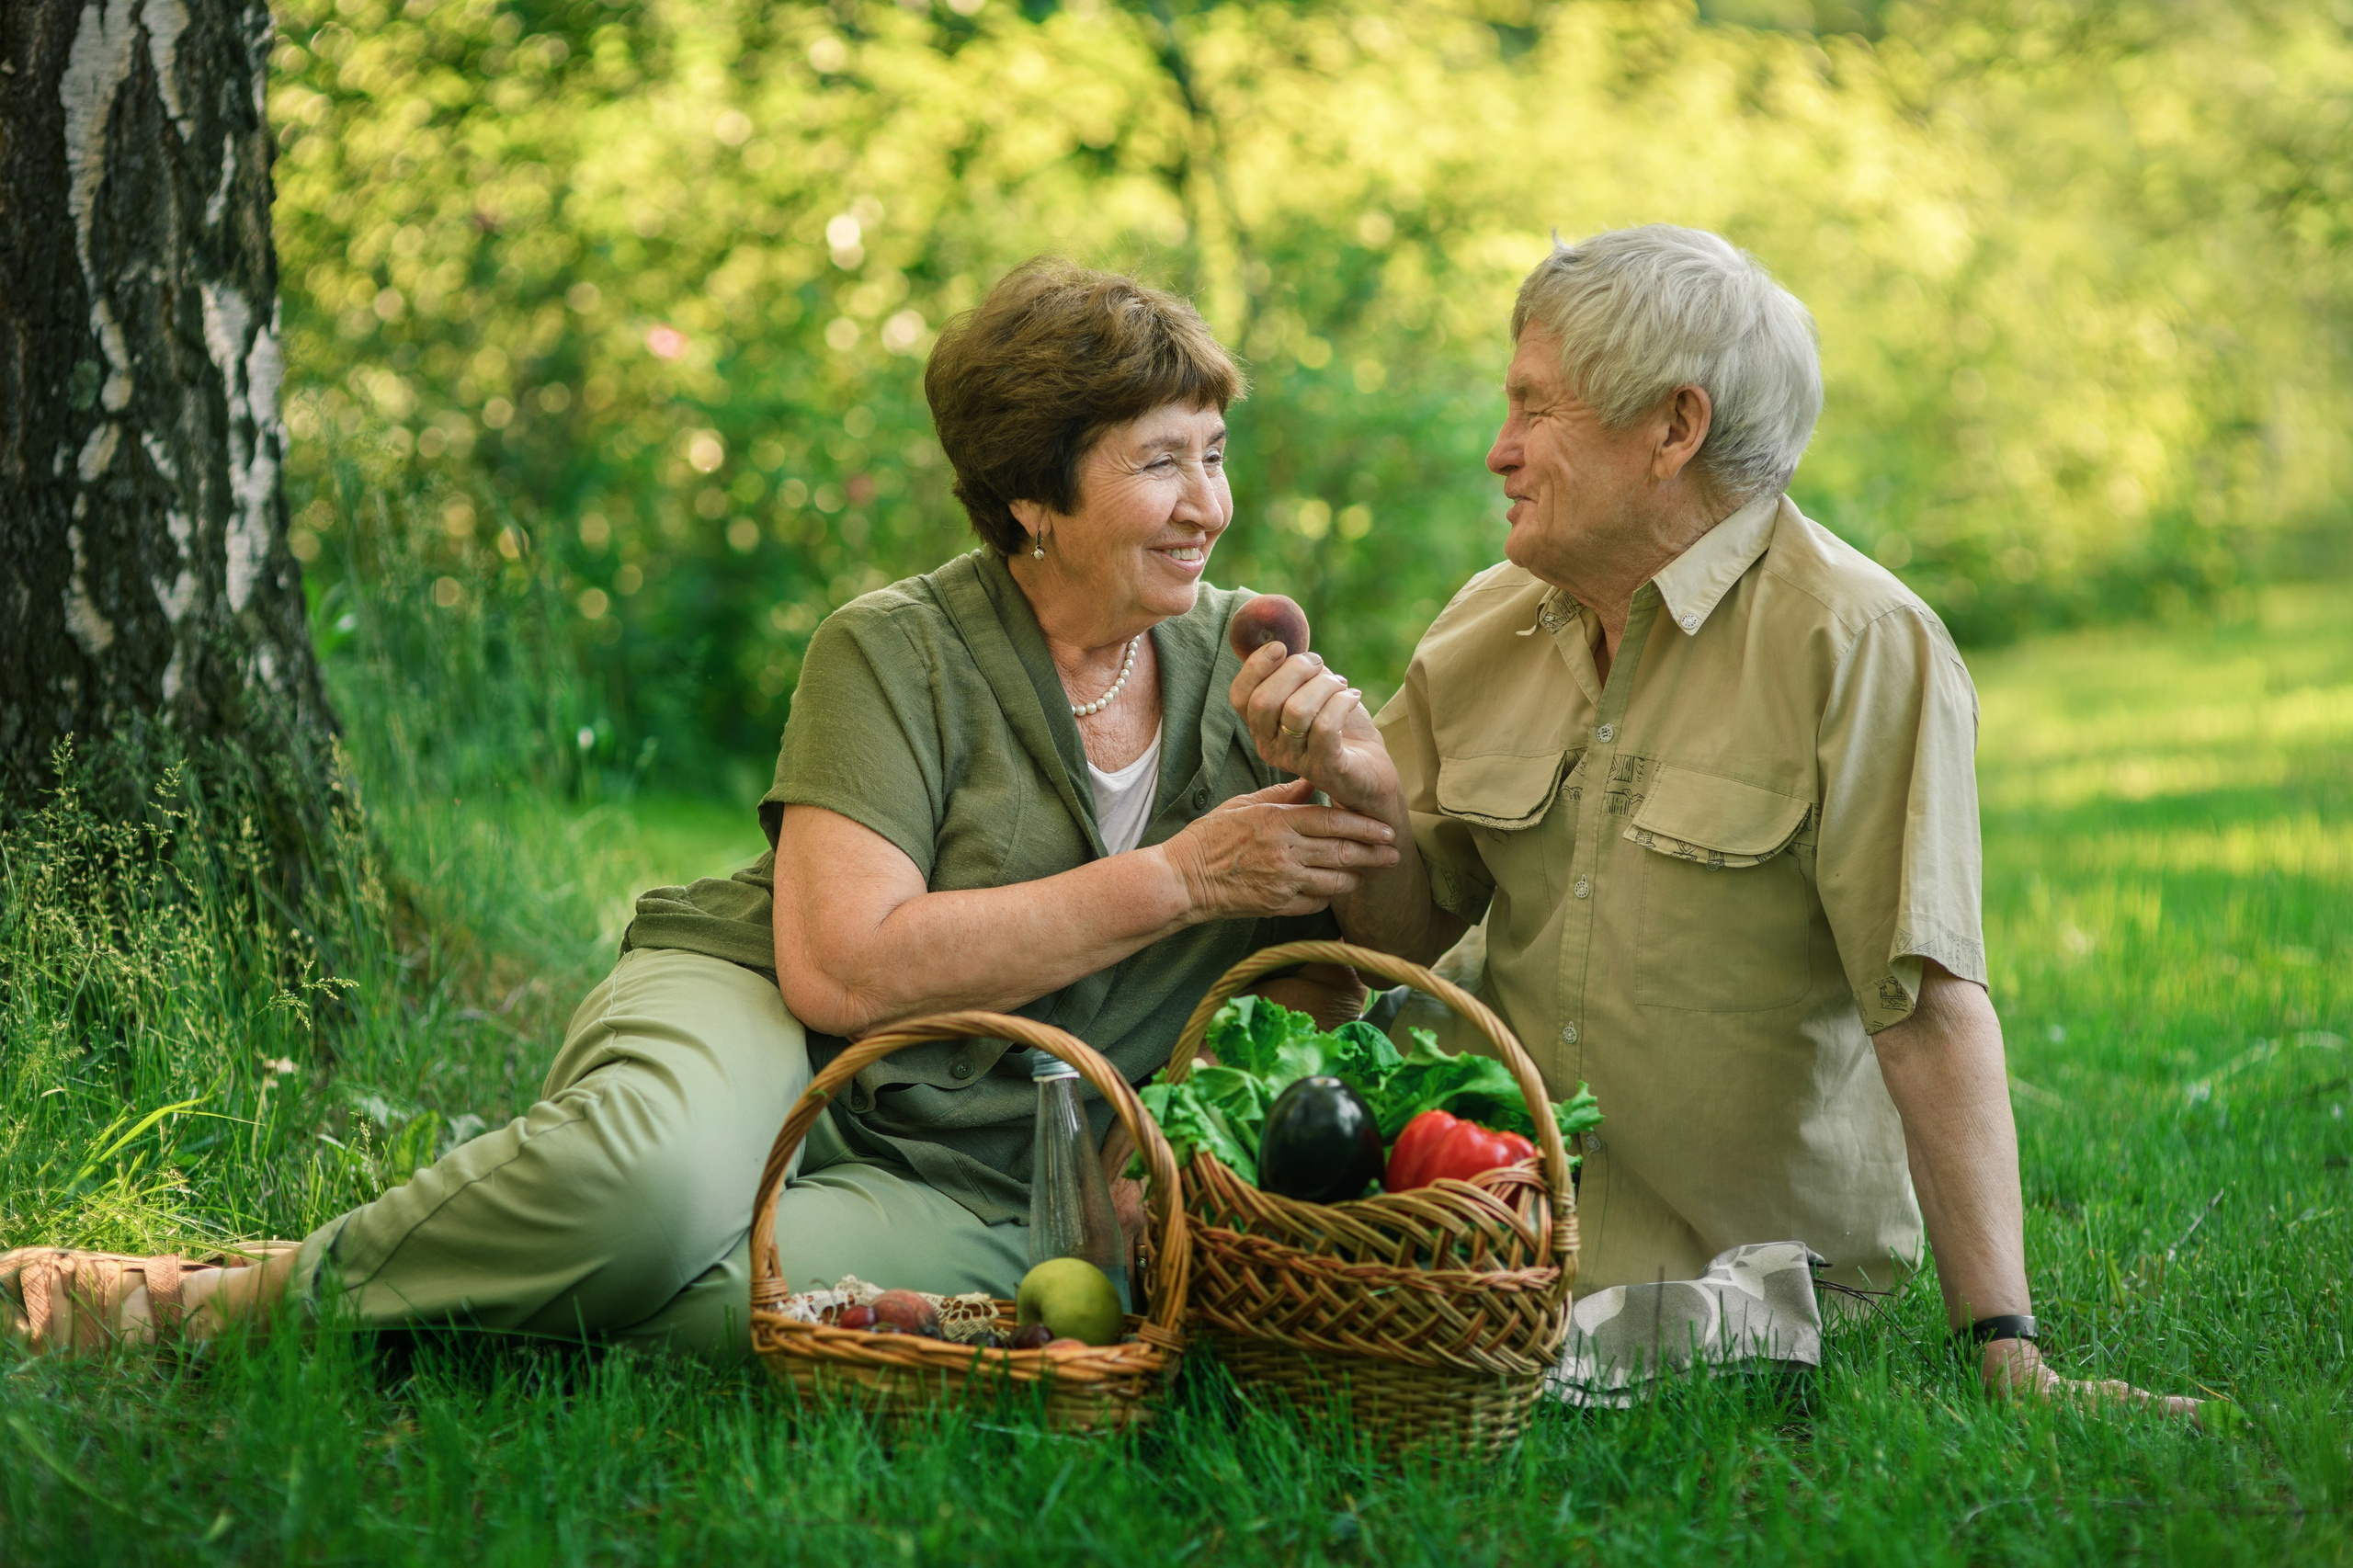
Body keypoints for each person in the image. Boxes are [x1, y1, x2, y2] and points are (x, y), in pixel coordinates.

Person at [1, 259, 1397, 1358]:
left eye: (1214, 454)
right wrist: (1186, 877)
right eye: (1162, 461)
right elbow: (841, 965)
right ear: (1034, 495)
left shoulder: (1249, 664)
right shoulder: (893, 647)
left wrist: (1361, 785)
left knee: (728, 1314)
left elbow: (1367, 963)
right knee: (645, 1204)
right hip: (768, 1008)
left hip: (984, 1162)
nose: (1208, 504)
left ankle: (431, 1275)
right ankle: (211, 1309)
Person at [1234, 225, 2195, 1413]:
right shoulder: (1490, 618)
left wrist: (2005, 1345)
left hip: (1753, 1285)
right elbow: (1406, 936)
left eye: (1536, 410)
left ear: (1673, 429)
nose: (1499, 450)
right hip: (1494, 1245)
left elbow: (1928, 1004)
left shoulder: (1856, 642)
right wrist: (1370, 794)